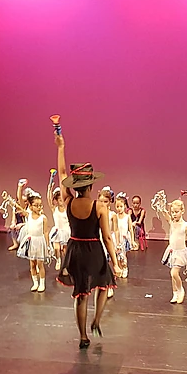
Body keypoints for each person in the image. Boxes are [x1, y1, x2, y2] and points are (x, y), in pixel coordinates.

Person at [55, 134, 119, 348]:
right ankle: (97, 320)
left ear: (74, 186)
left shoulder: (68, 201)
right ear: (91, 185)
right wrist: (116, 262)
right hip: (93, 250)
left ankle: (83, 336)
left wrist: (61, 147)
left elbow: (61, 174)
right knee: (104, 284)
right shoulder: (99, 207)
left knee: (81, 294)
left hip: (75, 251)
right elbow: (107, 237)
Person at [155, 198, 187, 304]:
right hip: (172, 251)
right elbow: (164, 213)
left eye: (176, 212)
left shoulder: (186, 226)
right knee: (172, 275)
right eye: (172, 212)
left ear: (182, 211)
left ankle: (181, 290)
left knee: (174, 273)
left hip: (181, 253)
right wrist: (161, 203)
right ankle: (175, 293)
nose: (174, 214)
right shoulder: (172, 222)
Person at [17, 193, 51, 292]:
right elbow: (19, 205)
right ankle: (35, 283)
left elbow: (45, 232)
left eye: (40, 205)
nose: (39, 207)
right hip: (31, 241)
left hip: (39, 241)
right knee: (32, 264)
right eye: (36, 205)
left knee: (40, 264)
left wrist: (47, 245)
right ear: (31, 206)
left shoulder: (43, 218)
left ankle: (42, 283)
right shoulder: (29, 215)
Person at [49, 188, 70, 272]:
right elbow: (49, 200)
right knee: (56, 248)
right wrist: (49, 189)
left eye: (62, 200)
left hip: (66, 231)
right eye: (60, 200)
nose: (62, 202)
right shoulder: (55, 209)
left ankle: (67, 264)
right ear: (56, 201)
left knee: (65, 249)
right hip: (57, 231)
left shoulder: (66, 209)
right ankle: (58, 260)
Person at [115, 194, 134, 278]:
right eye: (117, 206)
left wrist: (132, 240)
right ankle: (119, 269)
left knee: (123, 255)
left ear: (125, 206)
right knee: (117, 255)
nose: (119, 208)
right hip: (116, 238)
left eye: (121, 206)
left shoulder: (127, 217)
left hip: (124, 238)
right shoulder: (115, 216)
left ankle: (125, 268)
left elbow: (130, 229)